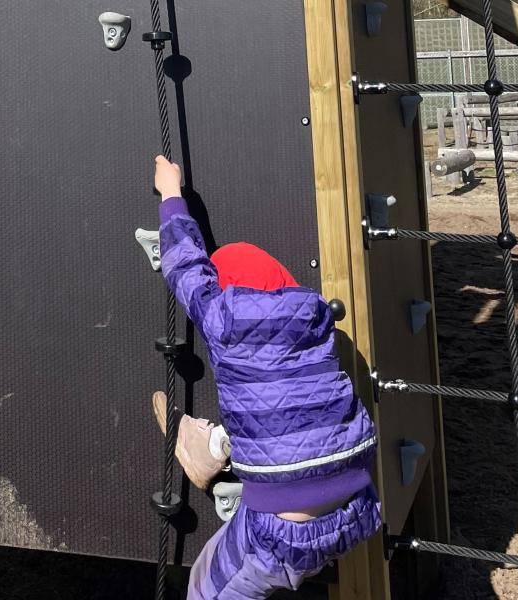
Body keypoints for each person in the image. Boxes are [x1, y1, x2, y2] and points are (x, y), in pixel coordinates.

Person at [150, 155, 382, 598]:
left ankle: (218, 454)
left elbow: (184, 266)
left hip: (285, 525)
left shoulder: (225, 317)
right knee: (277, 410)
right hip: (359, 500)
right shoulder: (315, 322)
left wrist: (170, 194)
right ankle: (216, 448)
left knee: (207, 590)